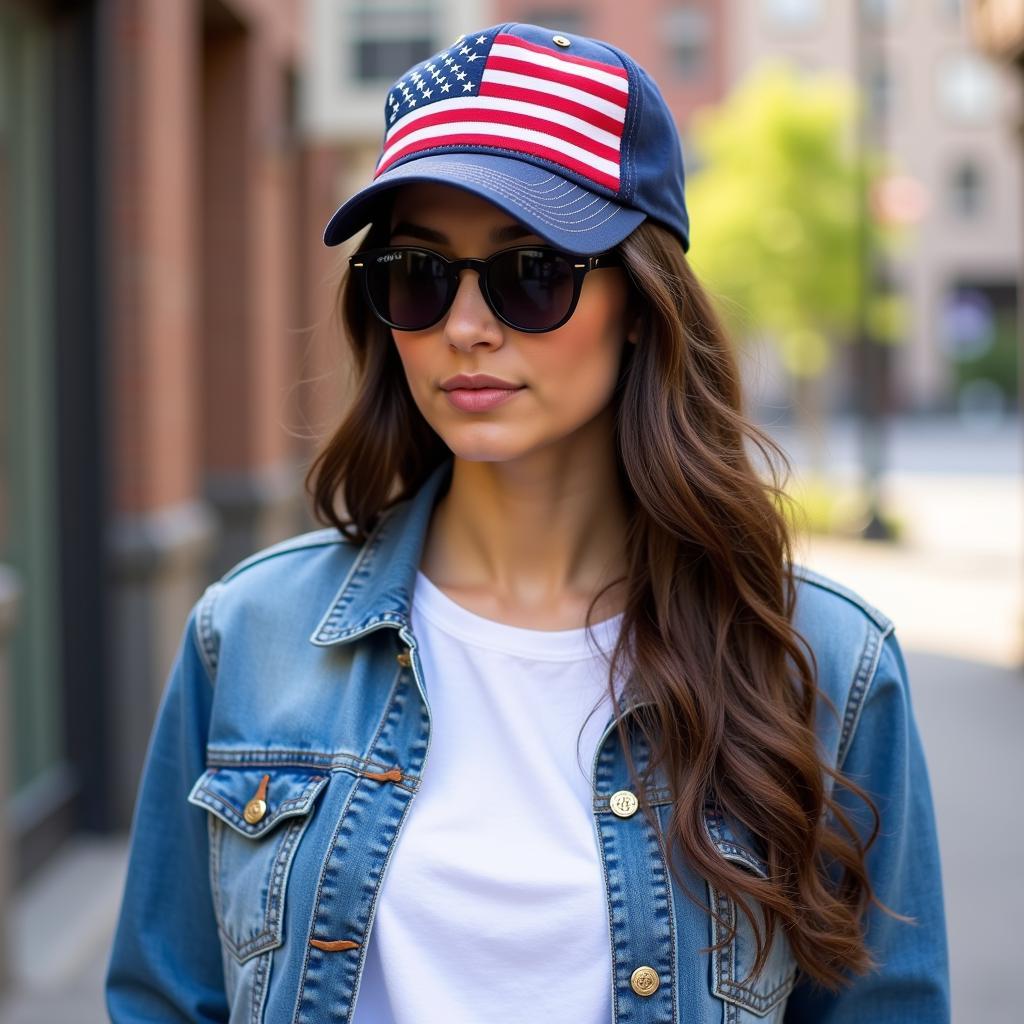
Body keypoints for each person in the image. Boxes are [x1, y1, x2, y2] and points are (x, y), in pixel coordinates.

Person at [104, 21, 950, 1024]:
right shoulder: (248, 637)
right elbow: (164, 1001)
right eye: (419, 275)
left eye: (532, 271)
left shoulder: (822, 665)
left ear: (640, 303)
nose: (465, 326)